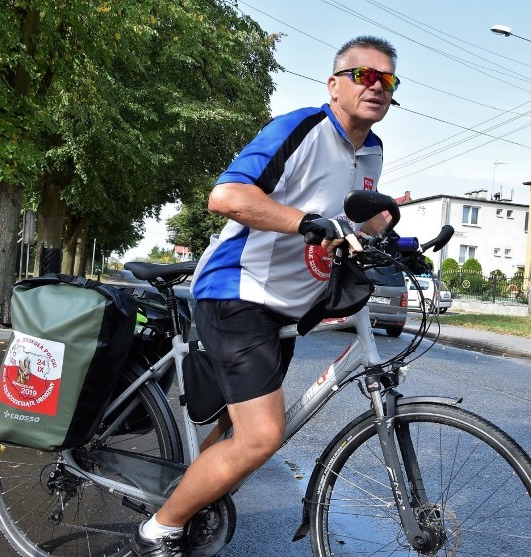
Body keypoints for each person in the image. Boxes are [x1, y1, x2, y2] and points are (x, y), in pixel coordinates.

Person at [130, 35, 400, 557]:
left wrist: (391, 228)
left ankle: (187, 500)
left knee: (238, 430)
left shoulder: (373, 149)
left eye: (386, 79)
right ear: (334, 83)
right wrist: (306, 223)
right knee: (260, 436)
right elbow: (227, 195)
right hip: (239, 291)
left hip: (286, 308)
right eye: (363, 75)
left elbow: (355, 215)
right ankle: (157, 532)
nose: (375, 86)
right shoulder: (301, 129)